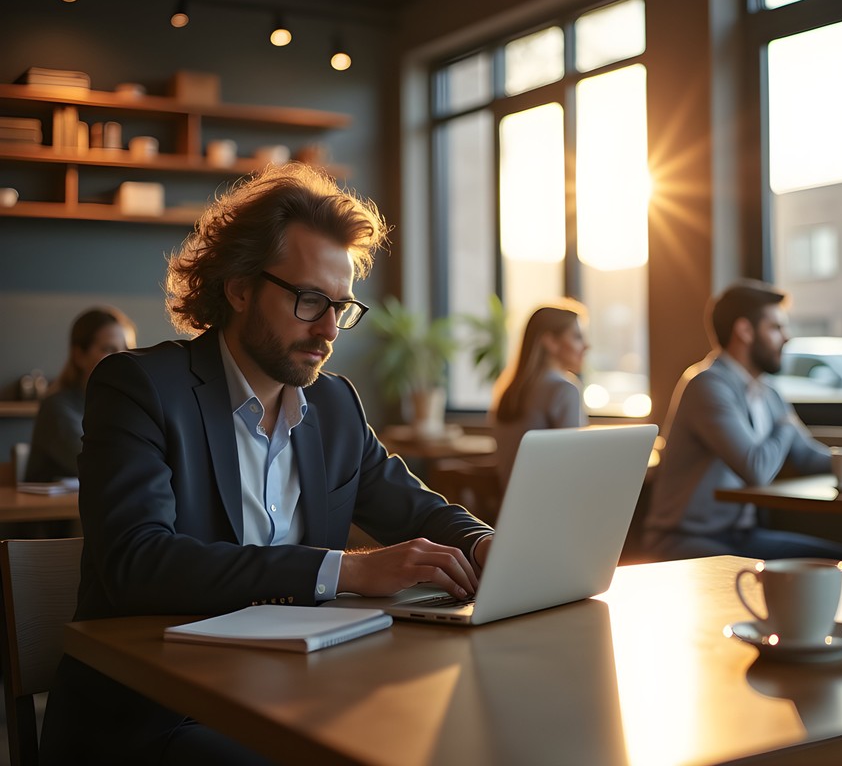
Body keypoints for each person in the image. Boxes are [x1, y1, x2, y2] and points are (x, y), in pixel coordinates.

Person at [39, 162, 494, 765]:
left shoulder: (335, 405)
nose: (330, 328)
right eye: (310, 300)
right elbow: (136, 561)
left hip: (297, 698)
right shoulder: (140, 386)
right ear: (239, 287)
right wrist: (347, 571)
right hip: (154, 718)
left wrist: (486, 546)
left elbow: (416, 510)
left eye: (342, 305)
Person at [643, 279, 842, 566]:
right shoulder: (706, 385)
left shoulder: (766, 391)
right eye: (776, 328)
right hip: (682, 540)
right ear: (745, 331)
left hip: (741, 535)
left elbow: (804, 455)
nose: (787, 337)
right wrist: (786, 425)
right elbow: (756, 468)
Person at [23, 306, 136, 482]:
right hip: (56, 509)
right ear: (79, 356)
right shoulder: (56, 408)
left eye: (126, 349)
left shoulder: (120, 407)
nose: (122, 358)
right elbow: (99, 464)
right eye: (109, 349)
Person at [490, 301, 589, 489]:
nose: (586, 346)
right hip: (553, 510)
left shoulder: (509, 391)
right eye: (577, 337)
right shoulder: (564, 390)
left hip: (513, 512)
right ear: (550, 341)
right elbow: (575, 467)